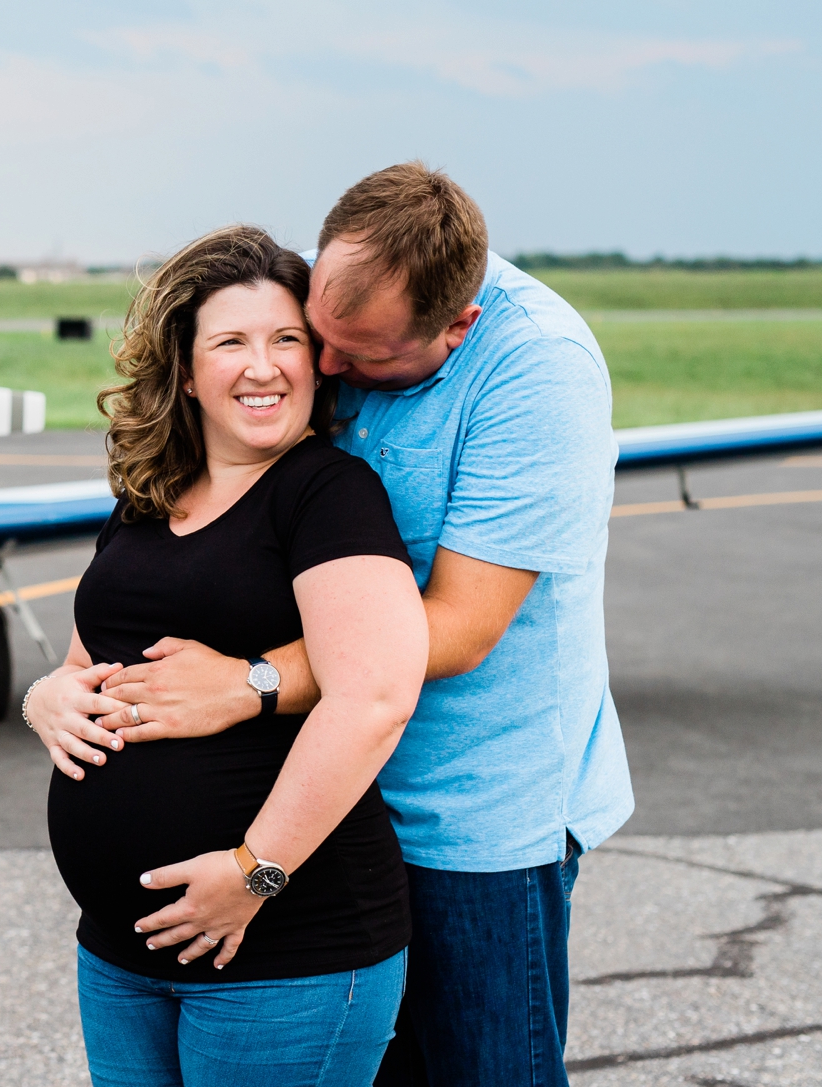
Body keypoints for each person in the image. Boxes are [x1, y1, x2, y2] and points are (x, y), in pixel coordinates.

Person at [91, 165, 631, 1086]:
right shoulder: (333, 312)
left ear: (453, 326)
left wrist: (251, 682)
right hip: (330, 815)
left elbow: (458, 627)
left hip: (471, 819)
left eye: (363, 357)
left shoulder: (537, 372)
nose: (325, 373)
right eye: (318, 338)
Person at [24, 225, 429, 1087]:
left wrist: (255, 874)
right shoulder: (146, 498)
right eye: (232, 342)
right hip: (121, 952)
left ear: (318, 361)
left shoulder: (326, 493)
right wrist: (45, 697)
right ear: (184, 368)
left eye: (287, 339)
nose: (264, 365)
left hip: (288, 949)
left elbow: (377, 695)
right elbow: (85, 664)